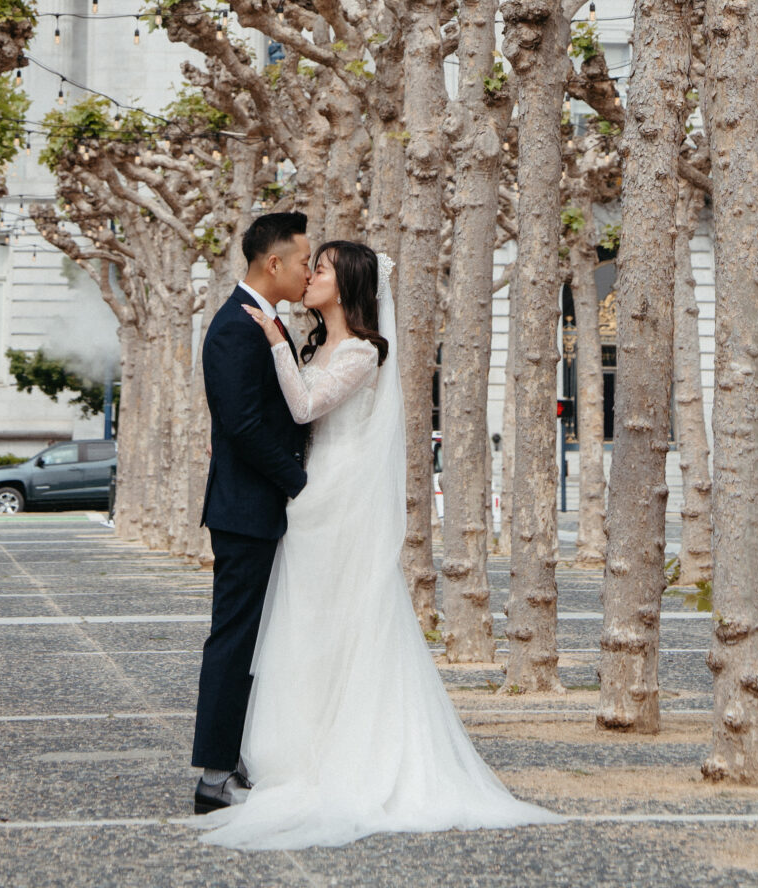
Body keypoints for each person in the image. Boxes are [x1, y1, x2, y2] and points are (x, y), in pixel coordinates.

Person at [191, 239, 557, 848]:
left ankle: (345, 753)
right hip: (307, 497)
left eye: (323, 268)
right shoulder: (309, 339)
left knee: (346, 621)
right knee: (303, 624)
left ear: (349, 284)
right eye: (309, 263)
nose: (311, 274)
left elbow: (304, 406)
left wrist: (278, 346)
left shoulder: (361, 351)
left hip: (334, 496)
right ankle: (295, 750)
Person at [190, 209, 313, 814]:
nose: (308, 269)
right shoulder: (234, 328)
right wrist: (300, 481)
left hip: (258, 505)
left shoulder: (264, 320)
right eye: (303, 260)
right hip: (245, 509)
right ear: (274, 263)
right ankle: (213, 777)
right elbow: (239, 424)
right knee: (234, 638)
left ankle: (237, 755)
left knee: (256, 638)